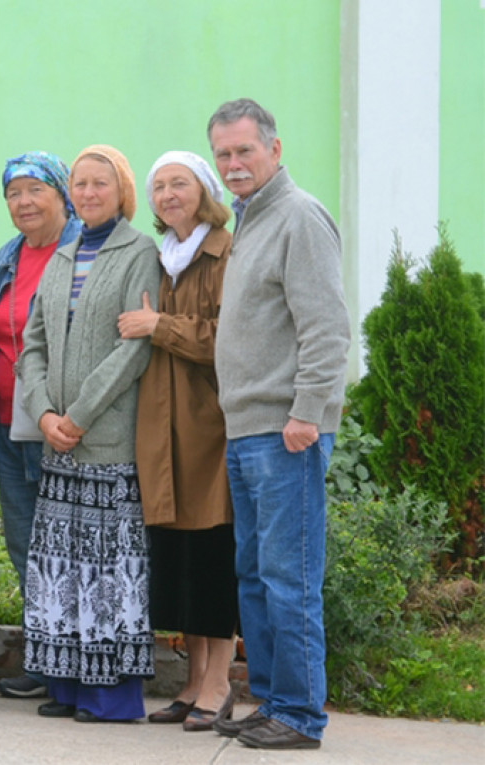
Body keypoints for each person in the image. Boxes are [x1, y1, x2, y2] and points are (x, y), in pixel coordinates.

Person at [208, 98, 349, 750]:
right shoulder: (251, 222)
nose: (234, 164)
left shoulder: (298, 217)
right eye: (224, 154)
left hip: (285, 432)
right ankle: (271, 701)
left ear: (275, 148)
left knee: (288, 578)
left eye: (244, 151)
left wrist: (306, 413)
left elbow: (325, 327)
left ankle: (298, 713)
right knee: (256, 576)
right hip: (248, 432)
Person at [17, 144, 160, 723]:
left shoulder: (139, 252)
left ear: (121, 190)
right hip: (60, 442)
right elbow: (33, 344)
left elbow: (136, 347)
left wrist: (78, 415)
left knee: (105, 570)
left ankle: (109, 696)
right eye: (79, 183)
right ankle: (68, 687)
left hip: (106, 440)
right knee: (63, 569)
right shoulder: (63, 253)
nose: (88, 193)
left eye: (100, 183)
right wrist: (46, 412)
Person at [119, 151, 237, 732]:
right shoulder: (160, 259)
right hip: (162, 430)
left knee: (213, 555)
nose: (167, 194)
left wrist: (157, 326)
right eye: (159, 186)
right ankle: (192, 682)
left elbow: (230, 336)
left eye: (179, 184)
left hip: (208, 427)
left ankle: (219, 683)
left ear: (204, 191)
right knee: (181, 558)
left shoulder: (224, 252)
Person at [0, 152, 81, 701]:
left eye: (34, 190)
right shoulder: (8, 257)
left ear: (61, 195)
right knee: (26, 547)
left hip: (62, 425)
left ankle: (72, 661)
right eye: (13, 193)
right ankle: (44, 659)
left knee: (64, 544)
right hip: (7, 423)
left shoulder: (82, 252)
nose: (23, 203)